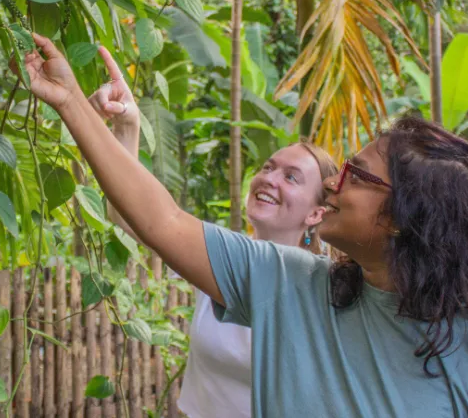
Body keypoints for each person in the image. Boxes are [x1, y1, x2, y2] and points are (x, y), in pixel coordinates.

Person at [21, 33, 468, 417]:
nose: (333, 184)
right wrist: (71, 102)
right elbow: (160, 219)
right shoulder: (289, 283)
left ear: (403, 219)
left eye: (355, 175)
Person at [81, 48, 338, 418]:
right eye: (268, 167)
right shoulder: (223, 256)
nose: (268, 178)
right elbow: (132, 218)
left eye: (291, 177)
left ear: (317, 213)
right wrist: (126, 126)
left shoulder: (328, 292)